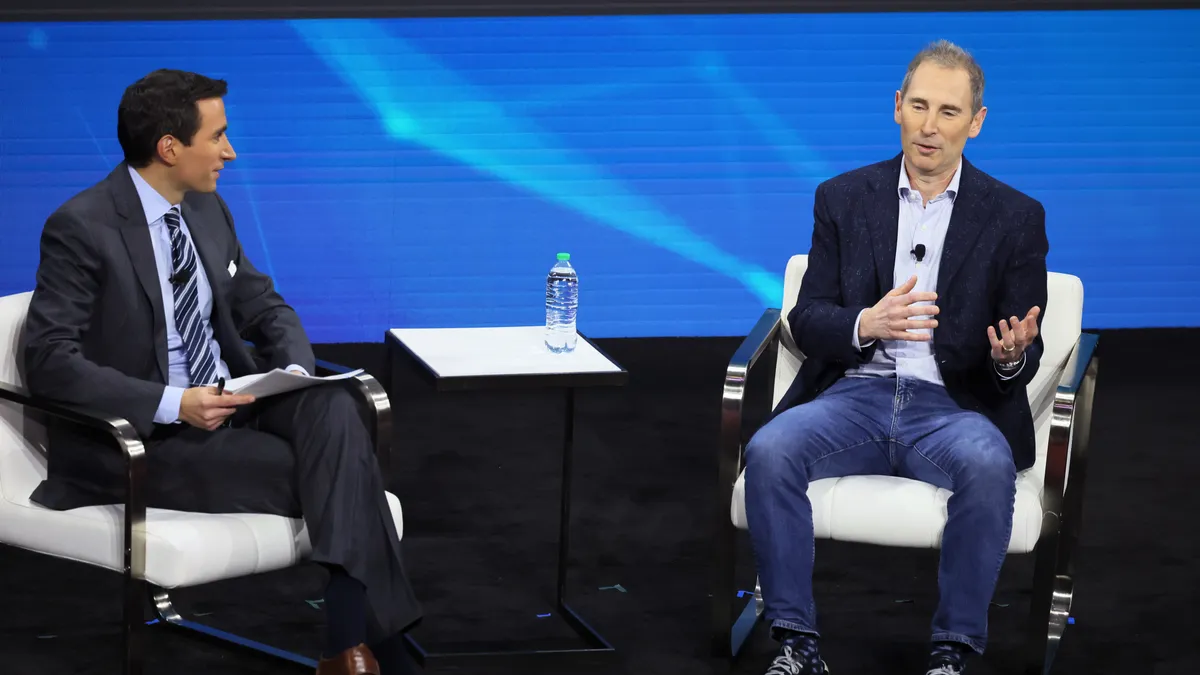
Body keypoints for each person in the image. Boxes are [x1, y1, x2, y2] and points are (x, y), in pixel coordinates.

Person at [22, 69, 421, 675]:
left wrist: (291, 372)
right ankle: (368, 648)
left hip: (233, 400)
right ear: (169, 147)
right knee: (339, 471)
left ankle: (348, 648)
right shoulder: (82, 227)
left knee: (336, 405)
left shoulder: (206, 211)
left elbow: (264, 304)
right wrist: (171, 402)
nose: (230, 152)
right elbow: (49, 358)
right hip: (144, 439)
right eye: (219, 136)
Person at [744, 40, 1048, 675]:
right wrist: (865, 322)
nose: (930, 126)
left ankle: (952, 652)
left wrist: (1011, 356)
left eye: (948, 111)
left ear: (977, 122)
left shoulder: (1015, 217)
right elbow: (807, 315)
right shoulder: (843, 197)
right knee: (770, 449)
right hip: (856, 394)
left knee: (989, 464)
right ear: (896, 108)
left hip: (952, 404)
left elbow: (1024, 339)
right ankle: (796, 644)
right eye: (918, 106)